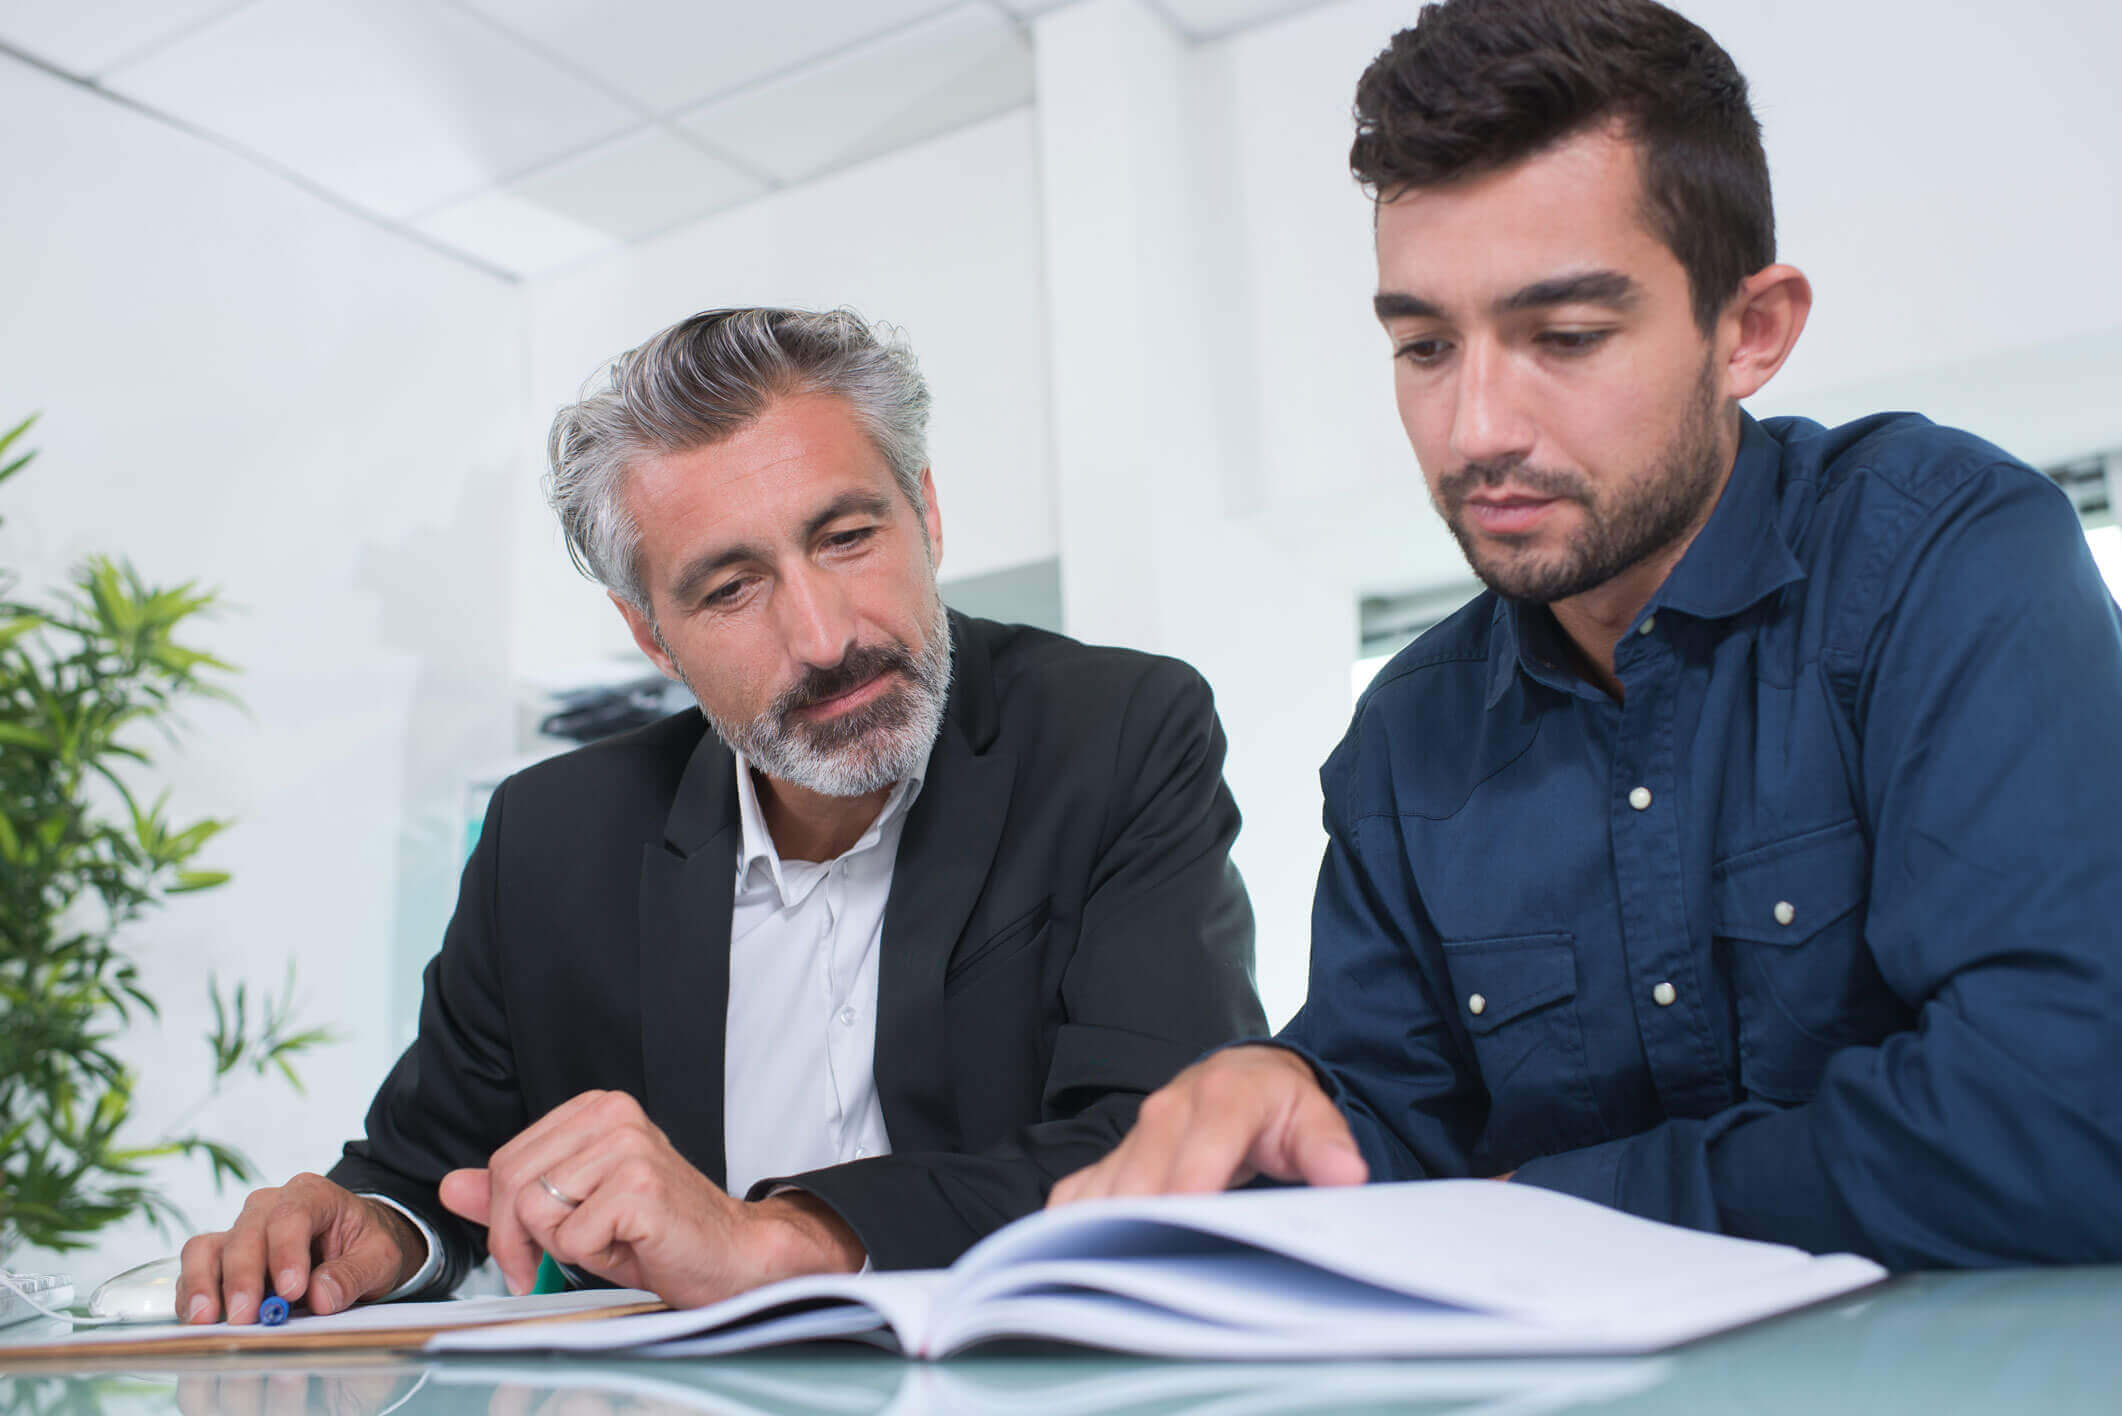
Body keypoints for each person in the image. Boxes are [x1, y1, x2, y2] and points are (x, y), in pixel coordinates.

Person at [1052, 0, 2122, 1268]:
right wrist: (1282, 1108)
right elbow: (1387, 1140)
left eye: (1562, 337)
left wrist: (1551, 1205)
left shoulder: (1944, 557)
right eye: (1423, 345)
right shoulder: (1408, 737)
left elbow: (2065, 1117)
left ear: (1749, 330)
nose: (1474, 429)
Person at [176, 308, 1265, 1323]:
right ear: (651, 635)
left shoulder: (1116, 732)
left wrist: (782, 1240)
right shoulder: (547, 841)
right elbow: (423, 1175)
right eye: (731, 588)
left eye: (846, 536)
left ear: (924, 511)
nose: (825, 636)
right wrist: (367, 1232)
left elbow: (1168, 1149)